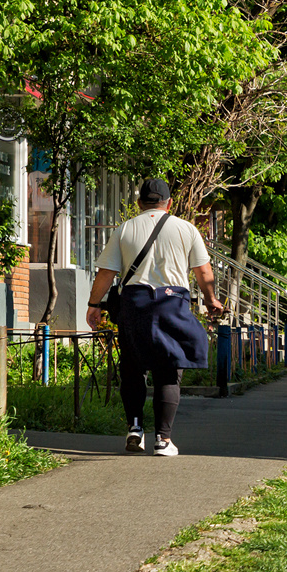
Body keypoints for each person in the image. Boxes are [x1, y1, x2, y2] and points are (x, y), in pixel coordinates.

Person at [85, 178, 223, 458]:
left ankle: (135, 429)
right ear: (169, 203)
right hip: (172, 303)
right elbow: (203, 272)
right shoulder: (187, 229)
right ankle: (163, 439)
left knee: (133, 368)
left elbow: (106, 273)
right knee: (168, 370)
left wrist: (93, 304)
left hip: (135, 304)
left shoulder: (125, 229)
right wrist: (211, 301)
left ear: (139, 204)